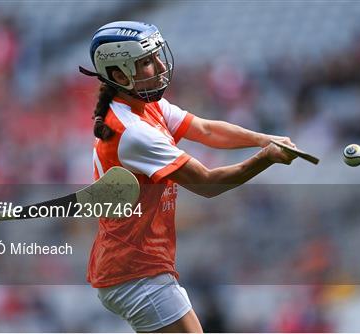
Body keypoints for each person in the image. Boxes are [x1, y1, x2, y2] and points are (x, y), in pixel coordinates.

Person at [80, 21, 298, 333]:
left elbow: (207, 130)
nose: (157, 65)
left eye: (156, 56)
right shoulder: (134, 133)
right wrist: (266, 159)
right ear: (118, 75)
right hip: (135, 272)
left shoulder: (146, 106)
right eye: (145, 62)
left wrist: (264, 139)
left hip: (137, 268)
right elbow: (207, 183)